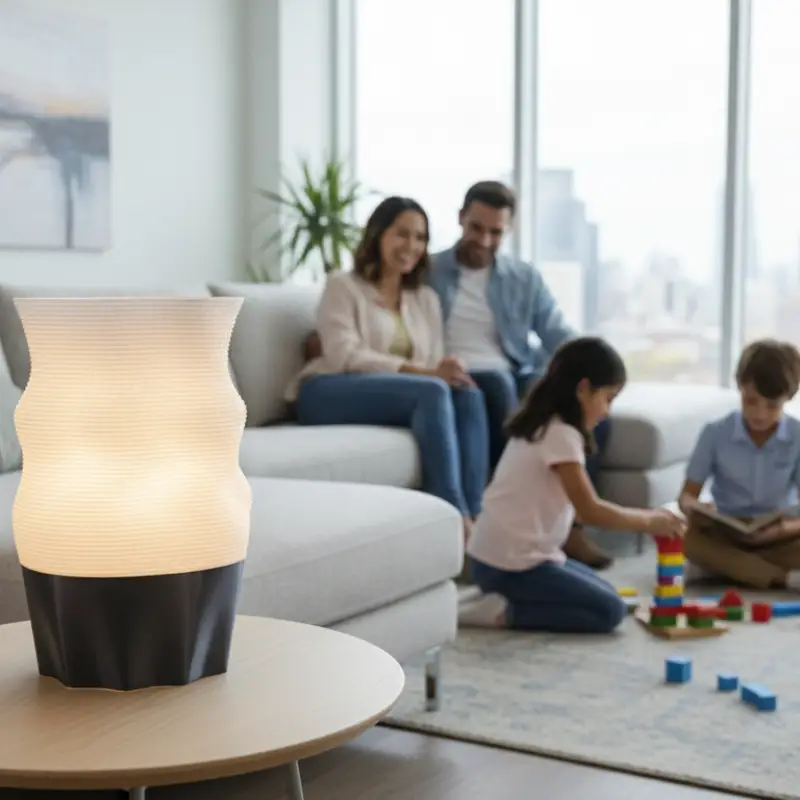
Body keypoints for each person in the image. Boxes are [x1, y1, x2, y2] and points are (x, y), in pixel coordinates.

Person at [428, 180, 613, 569]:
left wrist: (595, 369)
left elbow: (555, 332)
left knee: (590, 412)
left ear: (507, 231)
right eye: (476, 228)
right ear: (461, 219)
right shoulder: (429, 271)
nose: (485, 240)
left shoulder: (523, 277)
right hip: (457, 374)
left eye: (496, 232)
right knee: (496, 387)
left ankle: (571, 527)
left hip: (512, 370)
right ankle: (488, 527)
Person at [287, 196, 490, 536]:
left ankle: (476, 519)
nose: (411, 245)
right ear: (378, 235)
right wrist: (425, 373)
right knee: (432, 390)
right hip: (326, 390)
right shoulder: (343, 285)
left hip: (393, 393)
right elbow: (343, 355)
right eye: (402, 234)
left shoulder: (425, 299)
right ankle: (454, 521)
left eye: (420, 237)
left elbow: (431, 362)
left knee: (467, 393)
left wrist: (447, 368)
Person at [459, 337, 685, 634]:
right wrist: (649, 521)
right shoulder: (560, 435)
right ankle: (500, 611)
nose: (606, 411)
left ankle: (494, 596)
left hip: (509, 558)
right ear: (583, 390)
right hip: (510, 566)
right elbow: (590, 510)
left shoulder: (544, 424)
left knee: (606, 594)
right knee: (609, 611)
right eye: (607, 398)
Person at [678, 339, 800, 590]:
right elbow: (686, 496)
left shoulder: (797, 437)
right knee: (684, 538)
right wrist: (695, 509)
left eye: (772, 405)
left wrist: (779, 531)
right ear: (740, 387)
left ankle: (730, 569)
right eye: (751, 401)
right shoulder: (715, 433)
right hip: (727, 530)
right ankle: (782, 578)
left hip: (780, 534)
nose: (760, 414)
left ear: (787, 398)